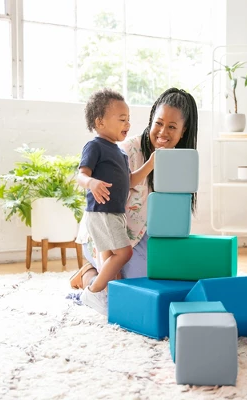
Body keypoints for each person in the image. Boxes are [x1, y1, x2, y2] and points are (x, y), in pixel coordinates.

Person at [71, 87, 199, 308]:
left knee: (170, 279)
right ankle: (88, 275)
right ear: (151, 120)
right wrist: (109, 262)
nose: (163, 132)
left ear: (183, 130)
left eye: (172, 127)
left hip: (141, 235)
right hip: (105, 235)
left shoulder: (180, 161)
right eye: (158, 123)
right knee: (128, 292)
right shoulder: (123, 151)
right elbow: (102, 212)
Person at [77, 88, 156, 315]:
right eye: (122, 119)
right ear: (100, 122)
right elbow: (80, 175)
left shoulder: (119, 153)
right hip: (102, 212)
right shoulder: (95, 146)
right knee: (124, 253)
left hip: (115, 213)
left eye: (128, 119)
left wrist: (150, 163)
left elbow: (130, 181)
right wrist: (92, 183)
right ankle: (93, 291)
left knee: (111, 259)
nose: (128, 124)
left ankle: (104, 294)